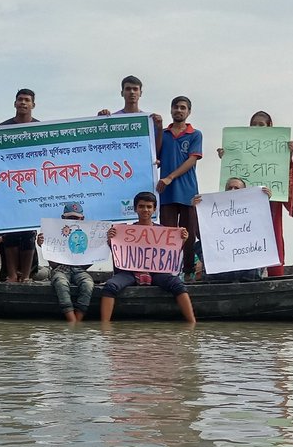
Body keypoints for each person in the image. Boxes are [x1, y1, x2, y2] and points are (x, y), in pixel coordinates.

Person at [216, 110, 293, 277]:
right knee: (245, 232)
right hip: (246, 201)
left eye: (261, 124)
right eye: (254, 124)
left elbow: (284, 172)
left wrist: (289, 155)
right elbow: (232, 173)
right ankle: (248, 272)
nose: (257, 127)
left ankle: (275, 273)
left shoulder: (279, 146)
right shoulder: (240, 145)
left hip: (270, 198)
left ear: (269, 126)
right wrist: (226, 156)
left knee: (273, 233)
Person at [99, 191, 196, 324]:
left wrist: (182, 239)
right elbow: (118, 253)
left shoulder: (163, 231)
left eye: (149, 207)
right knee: (110, 286)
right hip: (130, 272)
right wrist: (111, 240)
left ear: (154, 209)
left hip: (157, 272)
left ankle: (192, 323)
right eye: (142, 206)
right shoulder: (124, 232)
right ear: (135, 209)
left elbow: (171, 253)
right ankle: (104, 327)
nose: (145, 210)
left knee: (178, 284)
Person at [156, 96, 203, 279]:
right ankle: (169, 272)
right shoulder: (164, 134)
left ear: (188, 112)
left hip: (187, 191)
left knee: (189, 234)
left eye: (183, 108)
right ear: (171, 110)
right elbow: (154, 156)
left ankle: (189, 271)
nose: (179, 110)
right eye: (176, 107)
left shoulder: (195, 134)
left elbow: (192, 160)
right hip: (165, 193)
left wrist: (170, 177)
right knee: (168, 234)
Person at [192, 178, 272, 282]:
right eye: (230, 188)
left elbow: (264, 229)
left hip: (246, 257)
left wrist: (265, 201)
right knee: (200, 245)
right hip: (222, 258)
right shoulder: (213, 210)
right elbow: (201, 235)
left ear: (244, 191)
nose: (233, 190)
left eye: (236, 188)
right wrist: (196, 209)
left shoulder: (253, 209)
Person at [0, 89, 40, 282]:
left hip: (32, 185)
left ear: (33, 104)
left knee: (29, 232)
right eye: (20, 100)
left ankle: (26, 275)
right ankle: (13, 274)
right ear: (14, 103)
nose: (23, 103)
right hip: (9, 186)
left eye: (27, 100)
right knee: (11, 232)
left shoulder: (41, 128)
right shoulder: (3, 127)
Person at [37, 201, 95, 322]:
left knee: (88, 284)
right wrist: (43, 245)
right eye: (70, 218)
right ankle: (72, 320)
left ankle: (77, 320)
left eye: (76, 218)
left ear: (82, 218)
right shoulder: (54, 231)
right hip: (60, 269)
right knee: (61, 283)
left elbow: (89, 261)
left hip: (79, 269)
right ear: (63, 218)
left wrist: (103, 246)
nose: (73, 220)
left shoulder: (88, 234)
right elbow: (53, 264)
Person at [97, 75, 163, 145]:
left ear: (140, 93)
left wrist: (159, 129)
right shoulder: (112, 119)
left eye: (135, 89)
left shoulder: (148, 120)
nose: (132, 92)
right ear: (122, 93)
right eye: (128, 89)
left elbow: (155, 150)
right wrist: (100, 121)